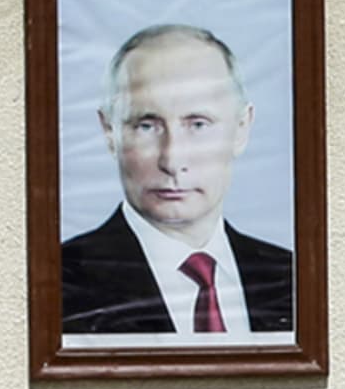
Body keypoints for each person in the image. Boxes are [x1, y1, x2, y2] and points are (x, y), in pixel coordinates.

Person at [61, 24, 294, 335]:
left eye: (198, 124)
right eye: (146, 125)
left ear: (242, 129)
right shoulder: (59, 282)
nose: (172, 160)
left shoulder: (292, 279)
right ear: (109, 132)